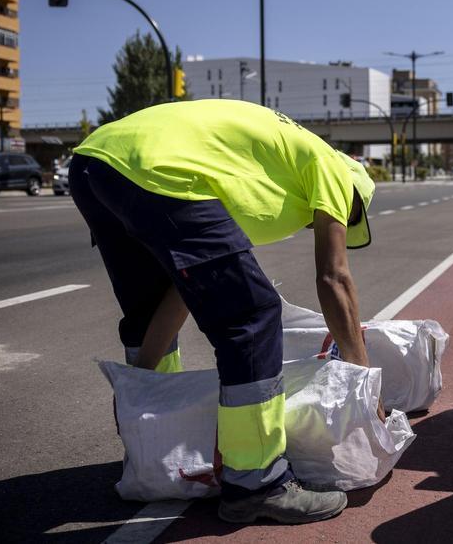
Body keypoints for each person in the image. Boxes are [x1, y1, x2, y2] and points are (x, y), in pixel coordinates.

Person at [70, 98, 376, 524]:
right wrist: (364, 381)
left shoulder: (256, 172)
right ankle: (257, 483)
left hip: (96, 163)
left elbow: (181, 290)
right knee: (254, 315)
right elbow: (334, 278)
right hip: (158, 169)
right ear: (353, 196)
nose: (330, 221)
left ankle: (151, 444)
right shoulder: (334, 170)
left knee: (148, 312)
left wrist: (139, 386)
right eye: (350, 215)